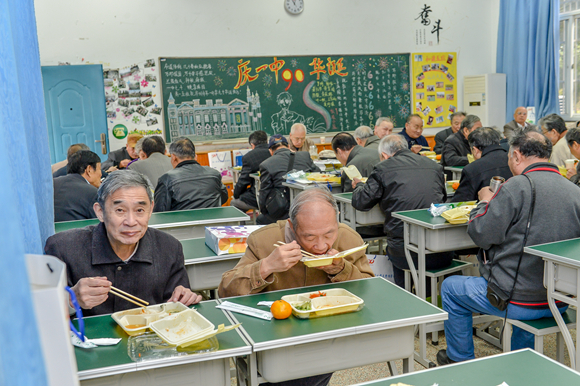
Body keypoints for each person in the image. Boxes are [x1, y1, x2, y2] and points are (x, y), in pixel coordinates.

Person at [437, 131, 579, 366]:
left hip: (514, 299)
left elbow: (482, 234)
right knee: (526, 274)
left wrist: (485, 202)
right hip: (559, 299)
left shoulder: (516, 187)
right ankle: (519, 361)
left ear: (516, 155)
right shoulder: (574, 191)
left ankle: (460, 360)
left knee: (451, 288)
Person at [219, 187, 373, 386]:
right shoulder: (264, 240)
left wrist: (341, 268)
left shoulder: (349, 239)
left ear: (337, 220)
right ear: (292, 225)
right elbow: (225, 290)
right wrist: (266, 267)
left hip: (328, 337)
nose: (321, 246)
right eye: (309, 237)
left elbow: (370, 288)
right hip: (275, 340)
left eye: (329, 234)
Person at [45, 170, 202, 317]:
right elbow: (43, 311)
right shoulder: (62, 249)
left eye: (140, 210)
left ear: (151, 209)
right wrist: (72, 299)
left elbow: (177, 305)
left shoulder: (169, 248)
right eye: (120, 210)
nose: (131, 222)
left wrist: (185, 297)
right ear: (100, 212)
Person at [351, 134, 452, 288]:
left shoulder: (383, 168)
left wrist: (358, 185)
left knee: (398, 246)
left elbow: (361, 202)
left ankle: (406, 296)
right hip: (440, 250)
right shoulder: (434, 165)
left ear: (384, 155)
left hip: (404, 253)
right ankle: (426, 297)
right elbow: (442, 200)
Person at [153, 137, 228, 212]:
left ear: (173, 157)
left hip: (182, 223)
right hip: (214, 222)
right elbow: (224, 197)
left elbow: (160, 211)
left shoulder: (166, 179)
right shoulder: (214, 174)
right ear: (195, 156)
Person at [257, 134, 318, 225]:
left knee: (260, 219)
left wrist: (265, 211)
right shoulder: (305, 156)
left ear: (270, 151)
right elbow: (318, 175)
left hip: (284, 210)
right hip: (308, 206)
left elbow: (264, 193)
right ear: (288, 146)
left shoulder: (266, 164)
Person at [451, 128, 512, 202]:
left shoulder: (472, 169)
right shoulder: (514, 160)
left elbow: (460, 202)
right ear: (498, 143)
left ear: (475, 150)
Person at [53, 150, 102, 222]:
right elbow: (101, 225)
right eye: (100, 169)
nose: (101, 174)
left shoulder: (53, 184)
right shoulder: (92, 193)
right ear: (89, 170)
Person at [231, 130, 271, 212]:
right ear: (267, 141)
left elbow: (243, 181)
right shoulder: (274, 152)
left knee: (234, 202)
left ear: (252, 145)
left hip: (259, 196)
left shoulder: (249, 157)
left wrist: (236, 194)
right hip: (276, 195)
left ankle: (242, 225)